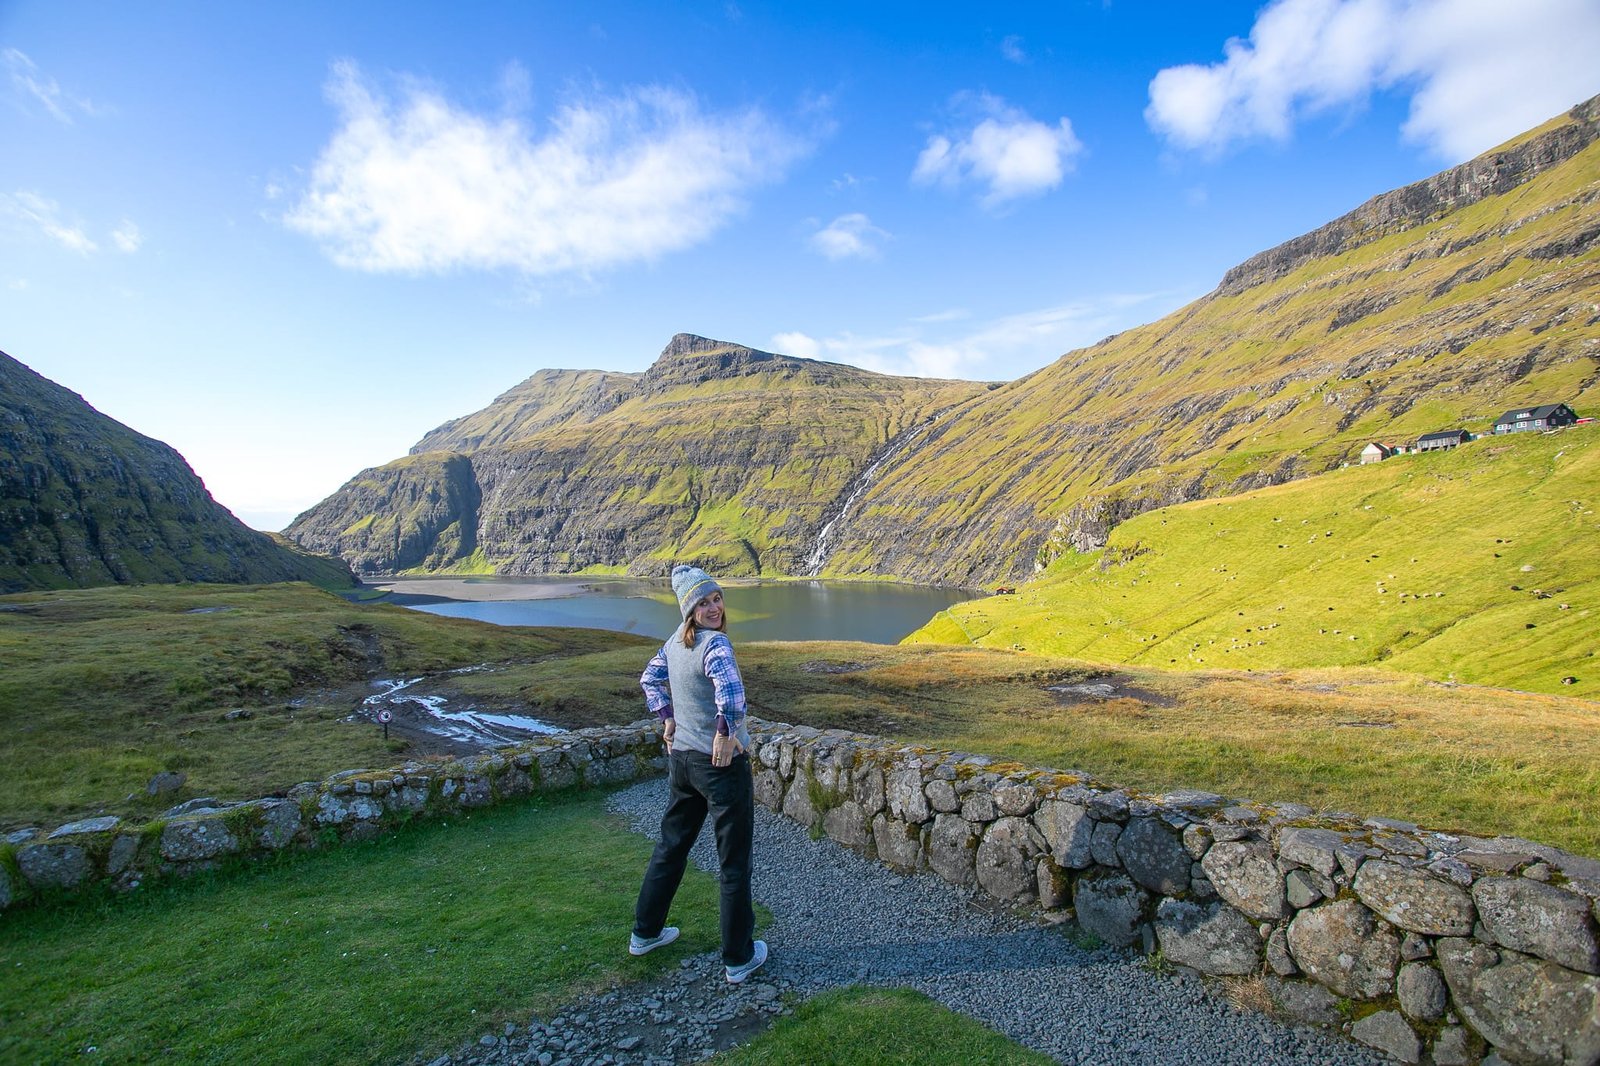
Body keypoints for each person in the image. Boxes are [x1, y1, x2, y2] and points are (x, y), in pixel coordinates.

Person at [629, 564, 768, 984]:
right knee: (733, 863)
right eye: (703, 602)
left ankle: (645, 933)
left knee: (671, 847)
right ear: (689, 609)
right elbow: (732, 695)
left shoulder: (673, 644)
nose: (713, 607)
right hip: (719, 766)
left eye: (716, 599)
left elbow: (649, 681)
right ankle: (739, 958)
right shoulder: (716, 645)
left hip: (683, 764)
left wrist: (667, 719)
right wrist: (726, 732)